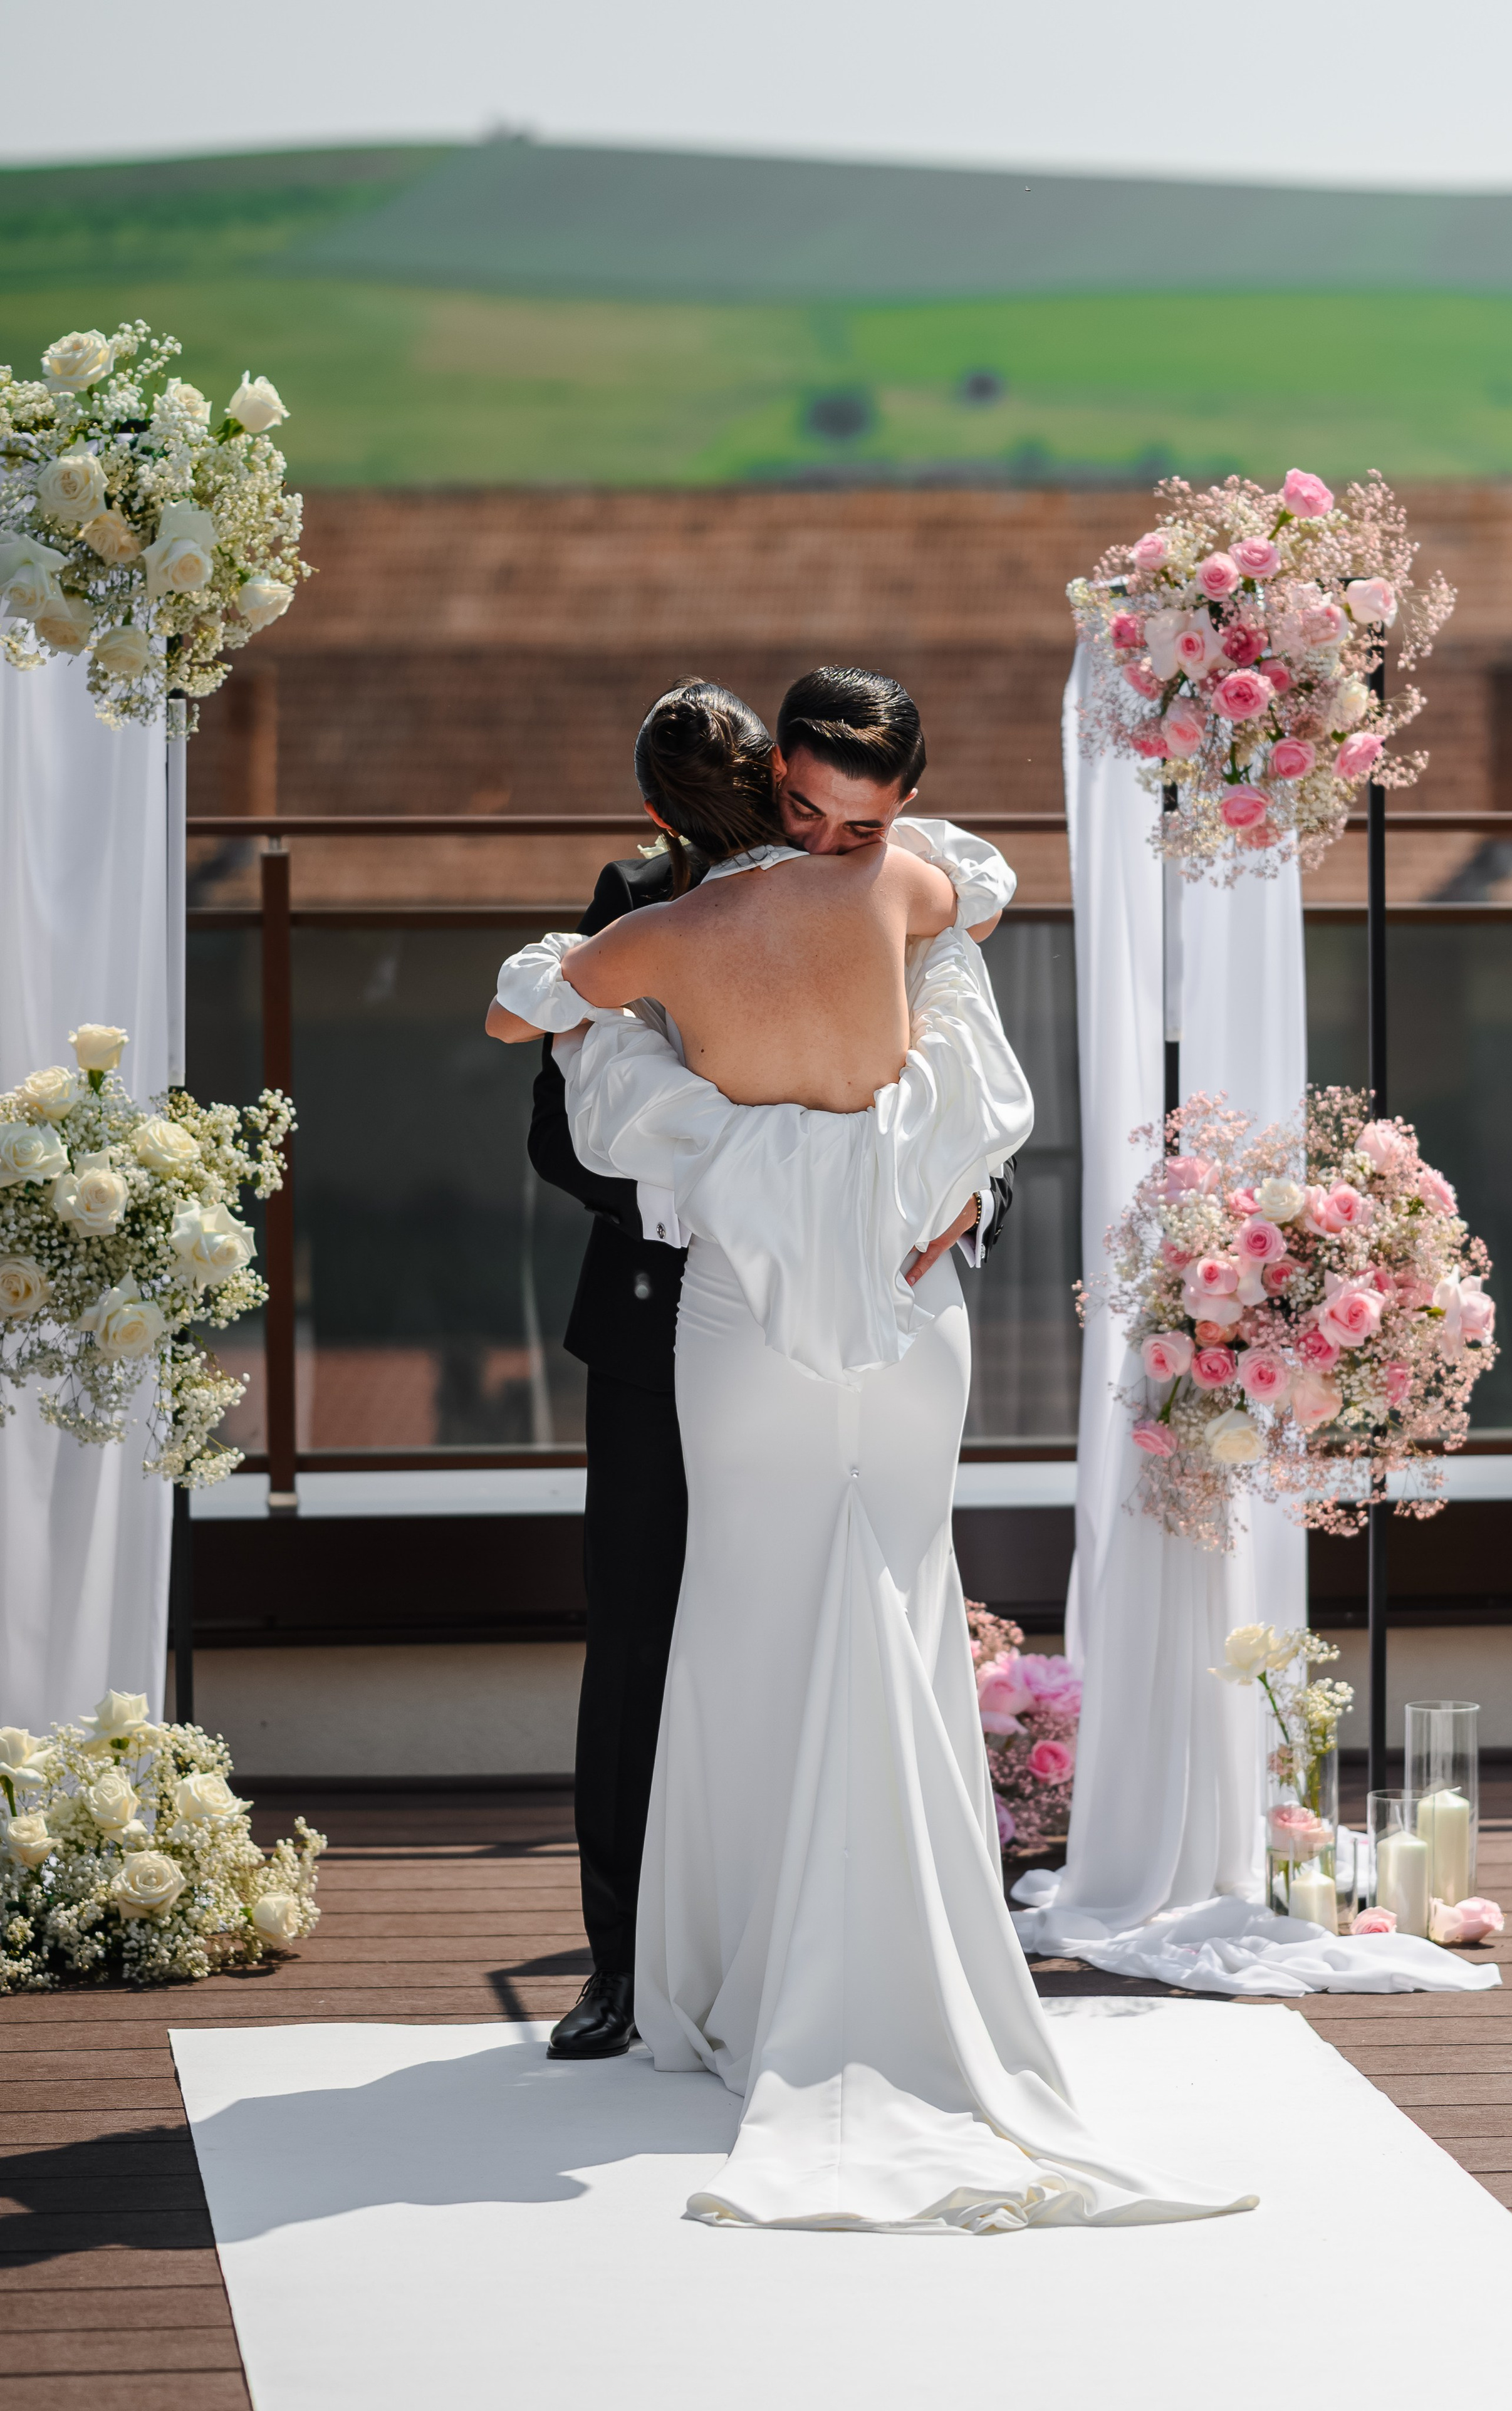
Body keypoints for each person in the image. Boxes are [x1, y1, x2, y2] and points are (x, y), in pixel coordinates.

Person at [487, 685, 1254, 2232]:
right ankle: (656, 1969)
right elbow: (566, 1141)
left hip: (798, 1304)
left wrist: (763, 1162)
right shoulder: (897, 885)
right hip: (776, 1317)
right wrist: (784, 1177)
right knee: (685, 1619)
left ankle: (756, 1976)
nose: (843, 840)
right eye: (815, 811)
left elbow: (532, 1022)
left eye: (866, 818)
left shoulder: (721, 920)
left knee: (768, 1617)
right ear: (765, 778)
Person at [511, 671, 1017, 2058]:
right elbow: (558, 1133)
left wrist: (964, 1193)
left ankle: (829, 1937)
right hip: (667, 1307)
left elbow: (958, 1071)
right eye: (786, 806)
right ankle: (624, 1963)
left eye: (829, 814)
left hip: (873, 1292)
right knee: (640, 1625)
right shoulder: (634, 896)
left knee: (827, 1604)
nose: (806, 834)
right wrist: (722, 1191)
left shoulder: (887, 875)